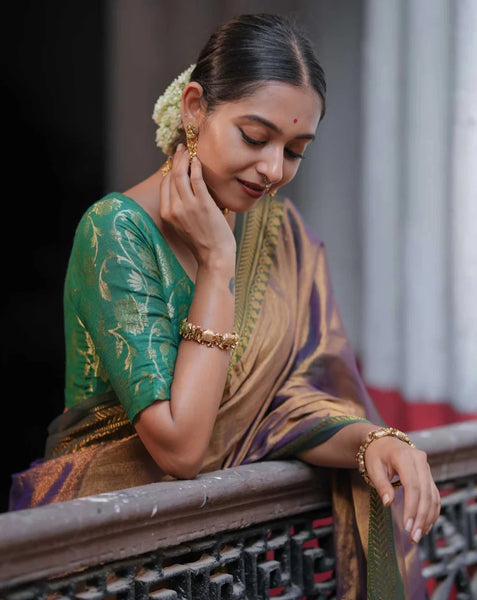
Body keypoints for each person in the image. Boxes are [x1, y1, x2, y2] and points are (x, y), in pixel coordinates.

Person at [9, 13, 439, 599]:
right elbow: (181, 447)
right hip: (107, 556)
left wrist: (373, 442)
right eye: (255, 137)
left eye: (295, 151)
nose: (272, 169)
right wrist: (217, 263)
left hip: (236, 557)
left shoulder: (282, 233)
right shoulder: (116, 232)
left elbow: (295, 407)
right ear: (193, 109)